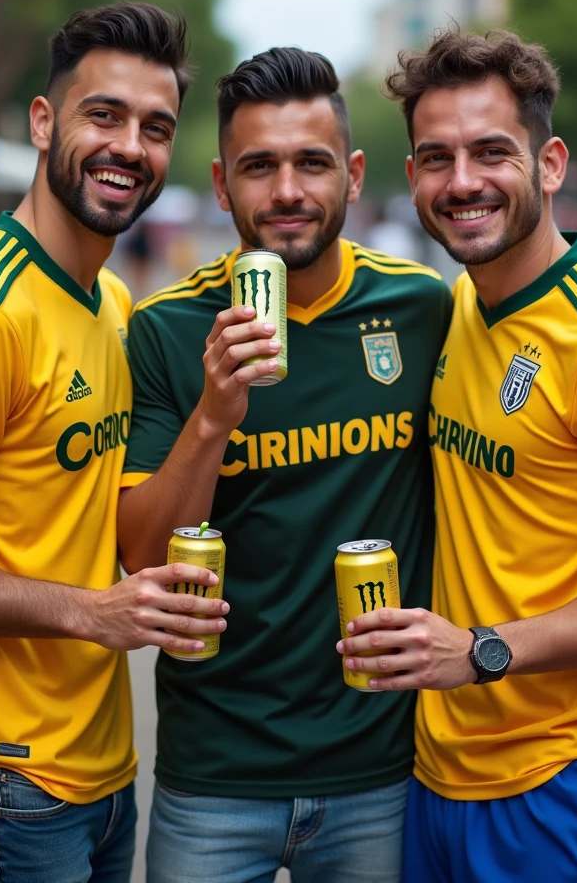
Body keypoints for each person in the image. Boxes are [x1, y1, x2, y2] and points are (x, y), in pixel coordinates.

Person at [117, 46, 452, 883]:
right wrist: (214, 415)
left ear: (356, 173)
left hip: (381, 771)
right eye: (259, 168)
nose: (289, 192)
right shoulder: (165, 328)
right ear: (223, 183)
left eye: (313, 163)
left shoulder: (421, 309)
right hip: (213, 779)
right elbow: (142, 559)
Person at [0, 1, 229, 883]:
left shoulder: (108, 304)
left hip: (101, 777)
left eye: (154, 127)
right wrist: (88, 611)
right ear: (42, 120)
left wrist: (213, 415)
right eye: (103, 114)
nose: (129, 147)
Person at [338, 28, 577, 881]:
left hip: (561, 782)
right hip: (433, 781)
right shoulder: (458, 304)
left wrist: (481, 651)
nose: (462, 182)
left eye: (491, 152)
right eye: (437, 157)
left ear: (549, 163)